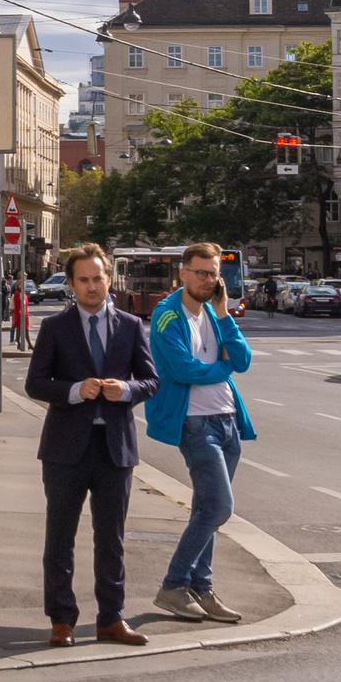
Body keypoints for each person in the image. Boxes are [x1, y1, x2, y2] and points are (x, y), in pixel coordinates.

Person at [22, 244, 158, 648]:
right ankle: (62, 619)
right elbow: (35, 384)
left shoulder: (131, 326)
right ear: (71, 284)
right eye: (83, 280)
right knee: (60, 537)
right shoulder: (55, 328)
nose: (92, 286)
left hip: (115, 447)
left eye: (98, 278)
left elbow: (151, 381)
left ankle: (111, 618)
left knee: (111, 538)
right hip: (66, 449)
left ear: (108, 279)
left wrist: (128, 389)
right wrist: (75, 391)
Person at [145, 243, 255, 625]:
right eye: (202, 273)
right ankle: (173, 586)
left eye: (214, 275)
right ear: (184, 274)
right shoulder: (166, 315)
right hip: (194, 422)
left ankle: (201, 588)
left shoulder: (213, 310)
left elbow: (242, 359)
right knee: (218, 508)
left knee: (205, 510)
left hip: (226, 421)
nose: (209, 281)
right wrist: (222, 368)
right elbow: (184, 370)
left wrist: (224, 314)